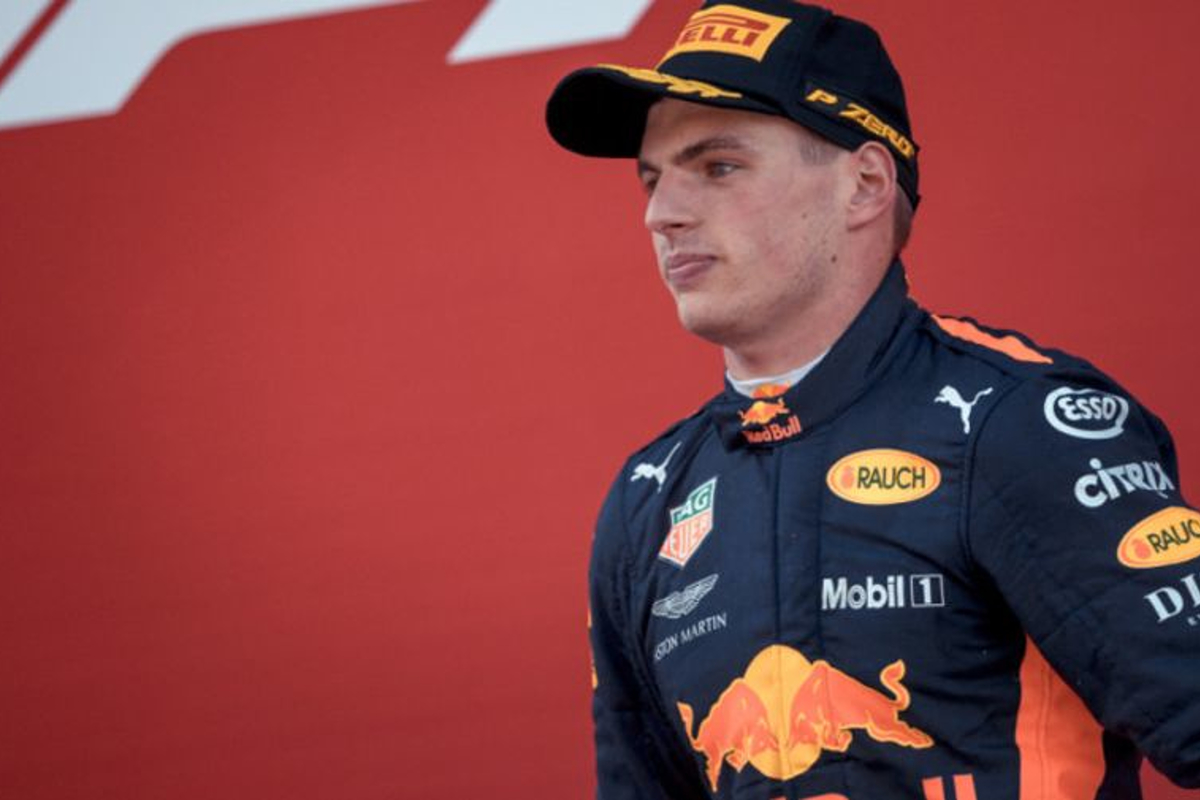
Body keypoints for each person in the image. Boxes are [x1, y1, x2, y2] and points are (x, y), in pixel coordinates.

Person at [545, 1, 1200, 798]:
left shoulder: (1015, 421)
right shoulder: (646, 503)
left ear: (864, 185)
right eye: (652, 180)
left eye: (717, 167)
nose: (662, 214)